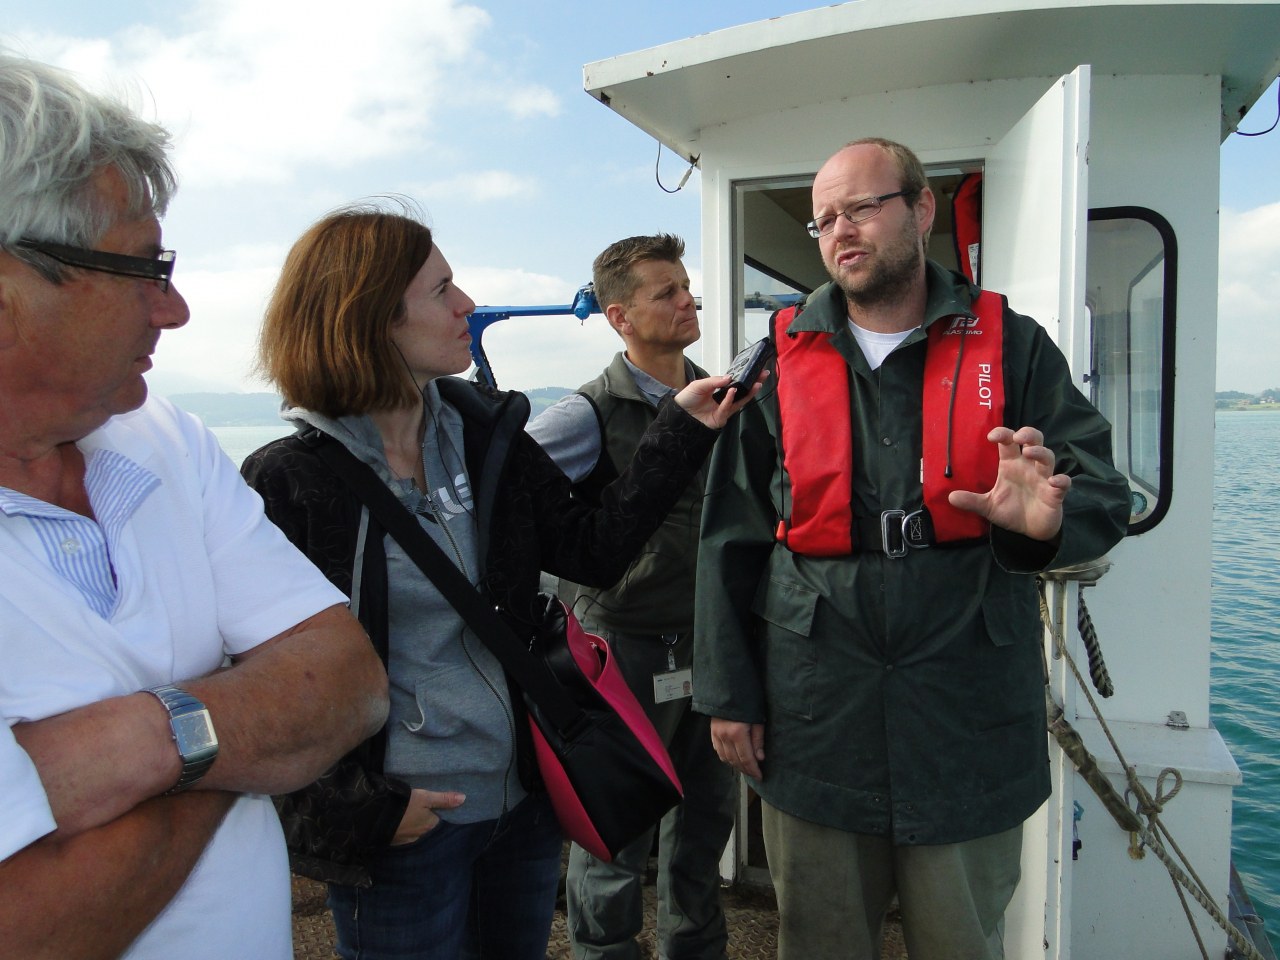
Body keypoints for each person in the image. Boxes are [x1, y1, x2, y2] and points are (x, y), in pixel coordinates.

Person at [240, 204, 757, 960]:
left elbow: (594, 550)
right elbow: (262, 681)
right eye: (442, 289)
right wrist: (360, 813)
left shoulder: (487, 437)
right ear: (373, 316)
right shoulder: (292, 482)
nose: (467, 306)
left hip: (523, 804)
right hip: (411, 825)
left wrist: (678, 430)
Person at [694, 138, 1131, 960]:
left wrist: (1047, 525)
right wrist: (729, 692)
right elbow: (731, 534)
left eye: (861, 207)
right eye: (825, 218)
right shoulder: (779, 361)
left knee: (962, 941)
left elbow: (1102, 491)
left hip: (965, 705)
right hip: (816, 709)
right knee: (818, 942)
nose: (839, 232)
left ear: (922, 210)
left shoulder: (1016, 345)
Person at [0, 53, 389, 960]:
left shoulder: (159, 437)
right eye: (146, 266)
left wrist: (143, 745)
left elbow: (348, 680)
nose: (172, 310)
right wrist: (241, 753)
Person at [527, 234, 735, 960]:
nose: (687, 301)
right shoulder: (585, 416)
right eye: (665, 292)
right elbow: (506, 504)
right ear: (620, 317)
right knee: (614, 845)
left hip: (710, 650)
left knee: (702, 839)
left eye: (686, 286)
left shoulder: (722, 398)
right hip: (623, 657)